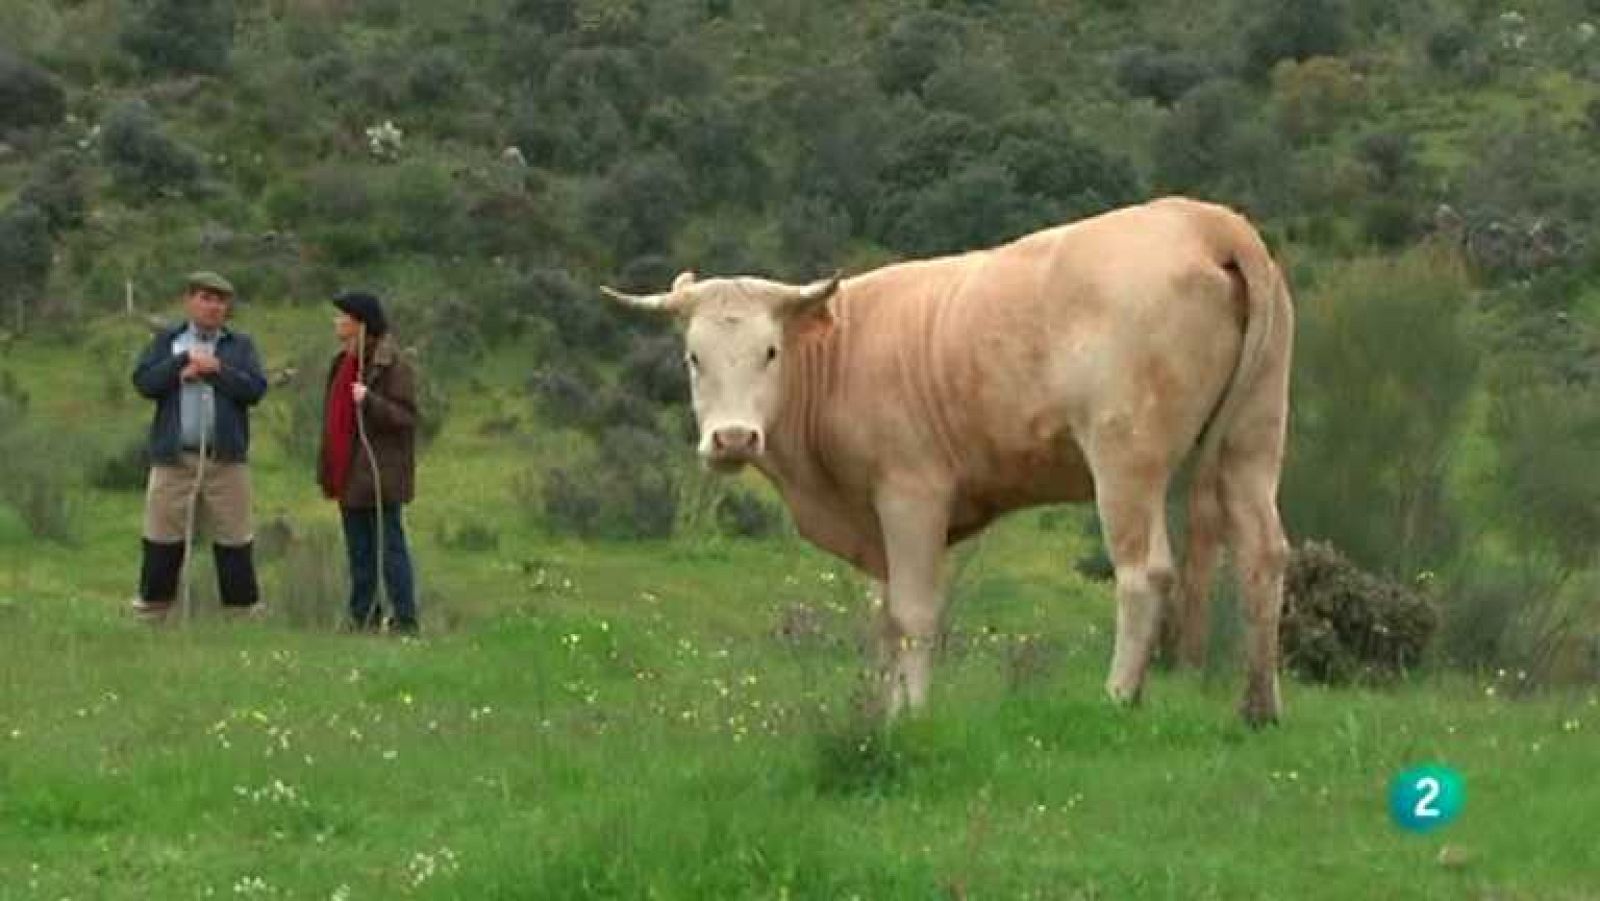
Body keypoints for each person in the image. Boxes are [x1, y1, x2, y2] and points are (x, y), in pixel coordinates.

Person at [130, 271, 268, 620]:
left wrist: (217, 370)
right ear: (189, 300)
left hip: (225, 458)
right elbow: (145, 382)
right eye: (206, 298)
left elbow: (254, 390)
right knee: (162, 533)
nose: (213, 307)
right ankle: (154, 610)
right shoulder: (168, 341)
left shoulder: (240, 346)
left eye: (220, 301)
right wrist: (181, 367)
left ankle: (241, 613)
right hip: (174, 457)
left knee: (234, 536)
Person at [318, 291, 420, 634]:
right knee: (359, 553)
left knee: (390, 550)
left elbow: (405, 417)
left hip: (379, 474)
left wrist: (370, 401)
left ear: (360, 323)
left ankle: (405, 619)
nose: (337, 323)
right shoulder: (341, 362)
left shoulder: (391, 364)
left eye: (343, 317)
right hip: (348, 472)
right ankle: (363, 615)